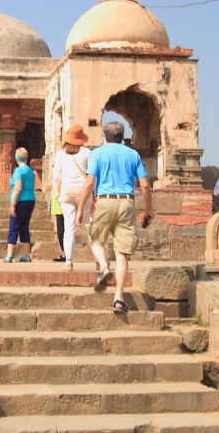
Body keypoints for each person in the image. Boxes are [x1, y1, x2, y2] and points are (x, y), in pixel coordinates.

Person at [76, 121, 154, 314]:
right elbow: (145, 185)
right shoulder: (133, 154)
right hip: (127, 202)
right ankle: (119, 299)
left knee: (95, 239)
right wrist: (149, 209)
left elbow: (88, 184)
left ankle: (103, 267)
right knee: (122, 253)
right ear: (122, 136)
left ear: (105, 136)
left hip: (104, 201)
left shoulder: (98, 153)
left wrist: (80, 208)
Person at [52, 124, 91, 271]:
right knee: (89, 226)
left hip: (66, 193)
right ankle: (100, 260)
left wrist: (57, 193)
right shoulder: (87, 152)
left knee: (69, 228)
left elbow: (56, 177)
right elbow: (92, 175)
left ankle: (68, 261)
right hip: (83, 193)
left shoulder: (60, 153)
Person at [5, 147, 36, 263]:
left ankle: (9, 255)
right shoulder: (29, 171)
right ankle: (26, 255)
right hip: (30, 199)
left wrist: (13, 204)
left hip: (20, 200)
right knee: (24, 227)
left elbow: (18, 188)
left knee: (13, 226)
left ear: (16, 158)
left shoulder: (18, 171)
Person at [50, 194, 66, 262]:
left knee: (61, 231)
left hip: (61, 205)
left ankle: (65, 254)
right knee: (61, 230)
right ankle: (64, 253)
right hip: (58, 205)